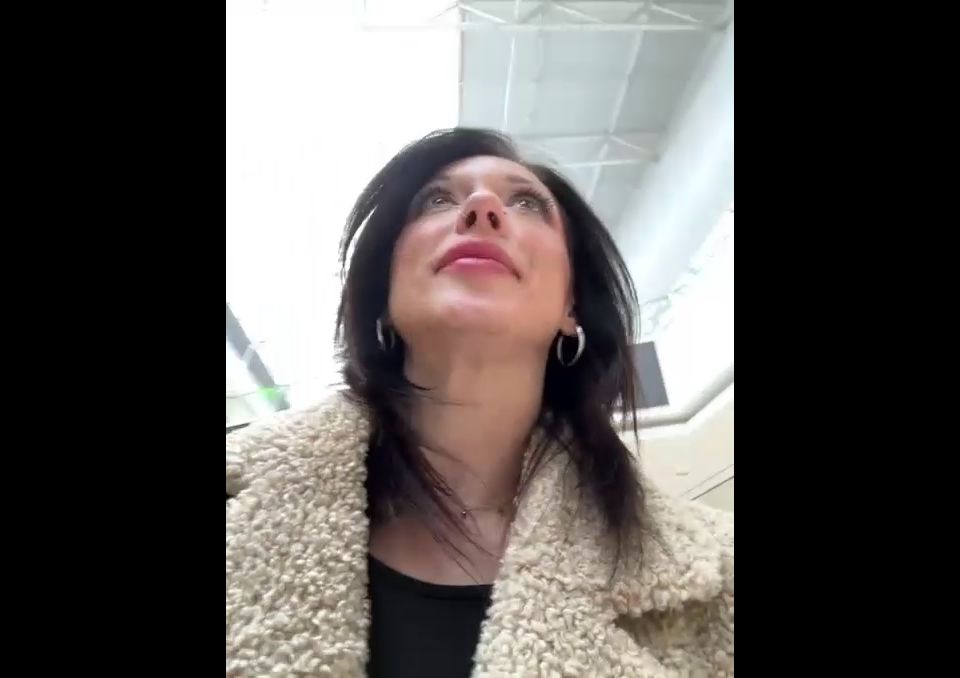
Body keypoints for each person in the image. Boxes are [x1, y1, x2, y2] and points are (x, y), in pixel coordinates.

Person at [226, 128, 733, 677]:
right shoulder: (238, 500)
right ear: (384, 297)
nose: (482, 207)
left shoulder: (717, 575)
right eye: (436, 200)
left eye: (528, 203)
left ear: (571, 307)